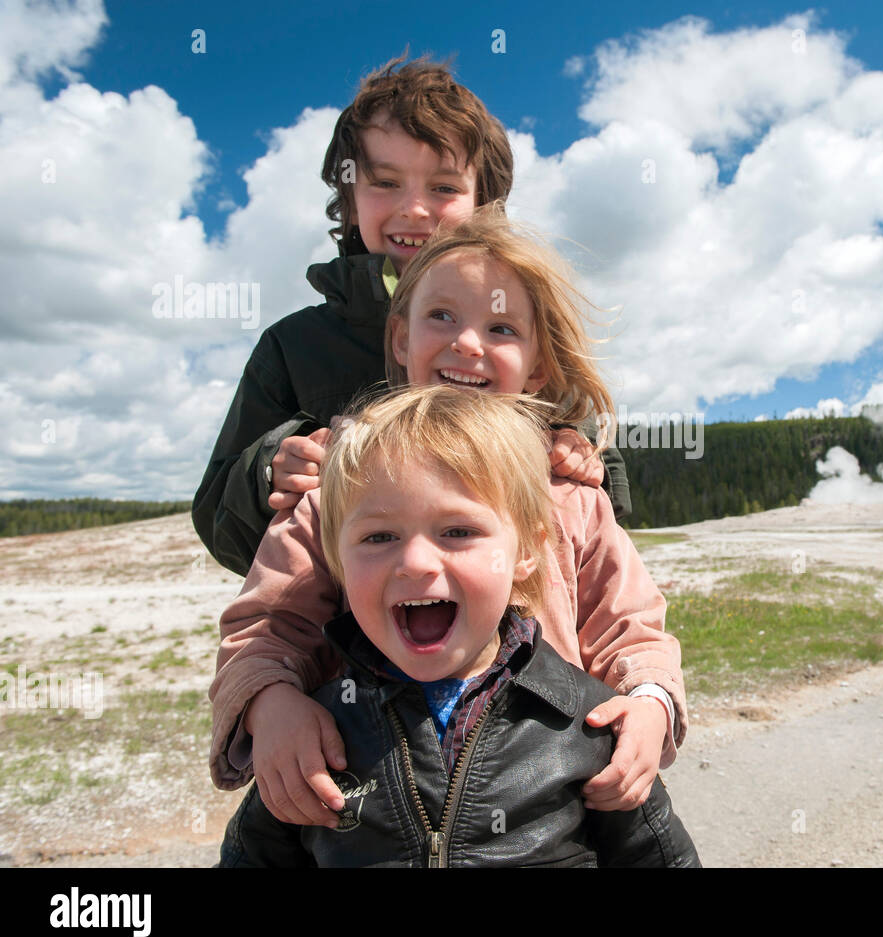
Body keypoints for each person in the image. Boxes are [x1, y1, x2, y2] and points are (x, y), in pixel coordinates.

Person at [211, 207, 687, 831]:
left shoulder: (571, 496)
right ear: (401, 339)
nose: (468, 341)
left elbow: (631, 628)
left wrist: (649, 702)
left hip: (552, 811)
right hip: (362, 814)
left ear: (538, 366)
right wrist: (269, 705)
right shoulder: (341, 487)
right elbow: (269, 625)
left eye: (501, 327)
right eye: (442, 316)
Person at [219, 386, 698, 867]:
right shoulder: (317, 735)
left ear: (528, 552)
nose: (415, 561)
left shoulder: (585, 722)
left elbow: (656, 856)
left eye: (458, 531)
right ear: (336, 560)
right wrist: (268, 703)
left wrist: (650, 696)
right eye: (379, 536)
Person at [192, 55, 629, 579]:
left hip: (517, 647)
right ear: (349, 199)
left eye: (444, 188)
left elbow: (604, 505)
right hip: (339, 647)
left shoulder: (519, 328)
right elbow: (220, 521)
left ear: (484, 202)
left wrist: (578, 456)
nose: (415, 209)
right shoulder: (294, 346)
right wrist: (269, 470)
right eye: (385, 182)